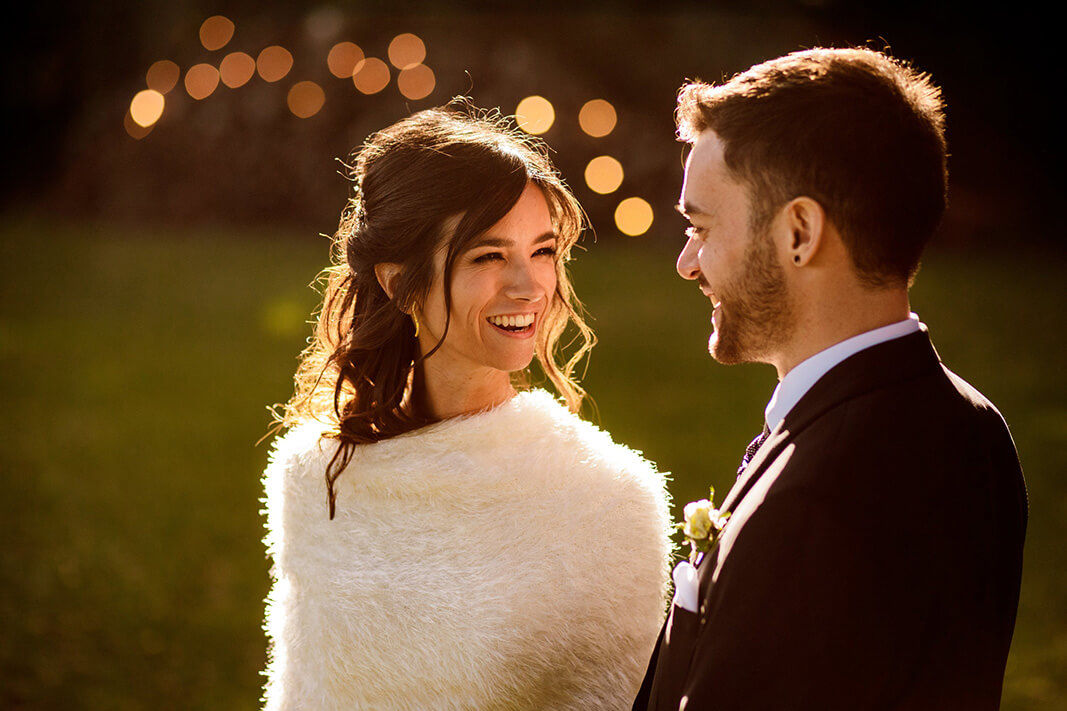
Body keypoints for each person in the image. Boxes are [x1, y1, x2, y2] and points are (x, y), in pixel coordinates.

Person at [634, 48, 1027, 711]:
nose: (685, 262)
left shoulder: (819, 496)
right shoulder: (971, 421)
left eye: (700, 227)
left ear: (798, 232)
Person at [260, 104, 673, 711]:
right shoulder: (317, 477)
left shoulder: (606, 501)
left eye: (543, 251)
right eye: (488, 256)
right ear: (400, 282)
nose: (529, 286)